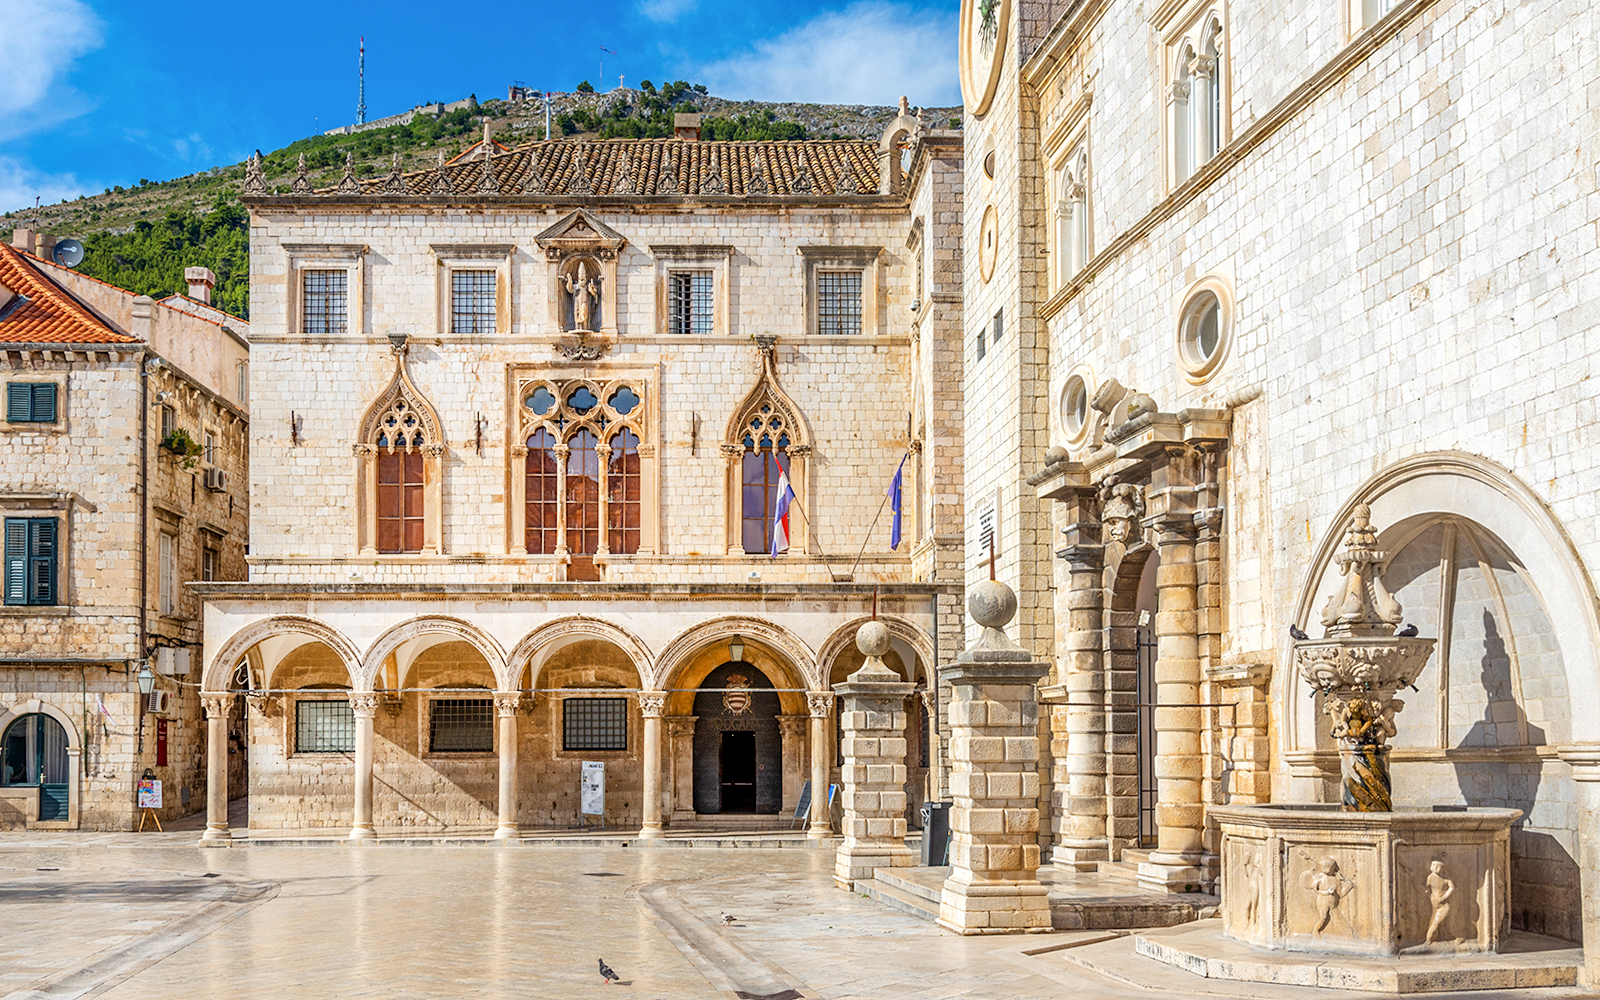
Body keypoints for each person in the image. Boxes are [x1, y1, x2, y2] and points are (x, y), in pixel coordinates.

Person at [1424, 860, 1454, 945]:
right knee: (1435, 921)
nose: (1436, 868)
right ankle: (1442, 936)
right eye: (1434, 865)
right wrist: (1431, 897)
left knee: (1436, 922)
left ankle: (1428, 939)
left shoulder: (1445, 878)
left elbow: (1452, 887)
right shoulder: (1430, 877)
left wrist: (1444, 897)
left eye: (1438, 866)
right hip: (1434, 903)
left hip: (1443, 904)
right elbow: (1427, 889)